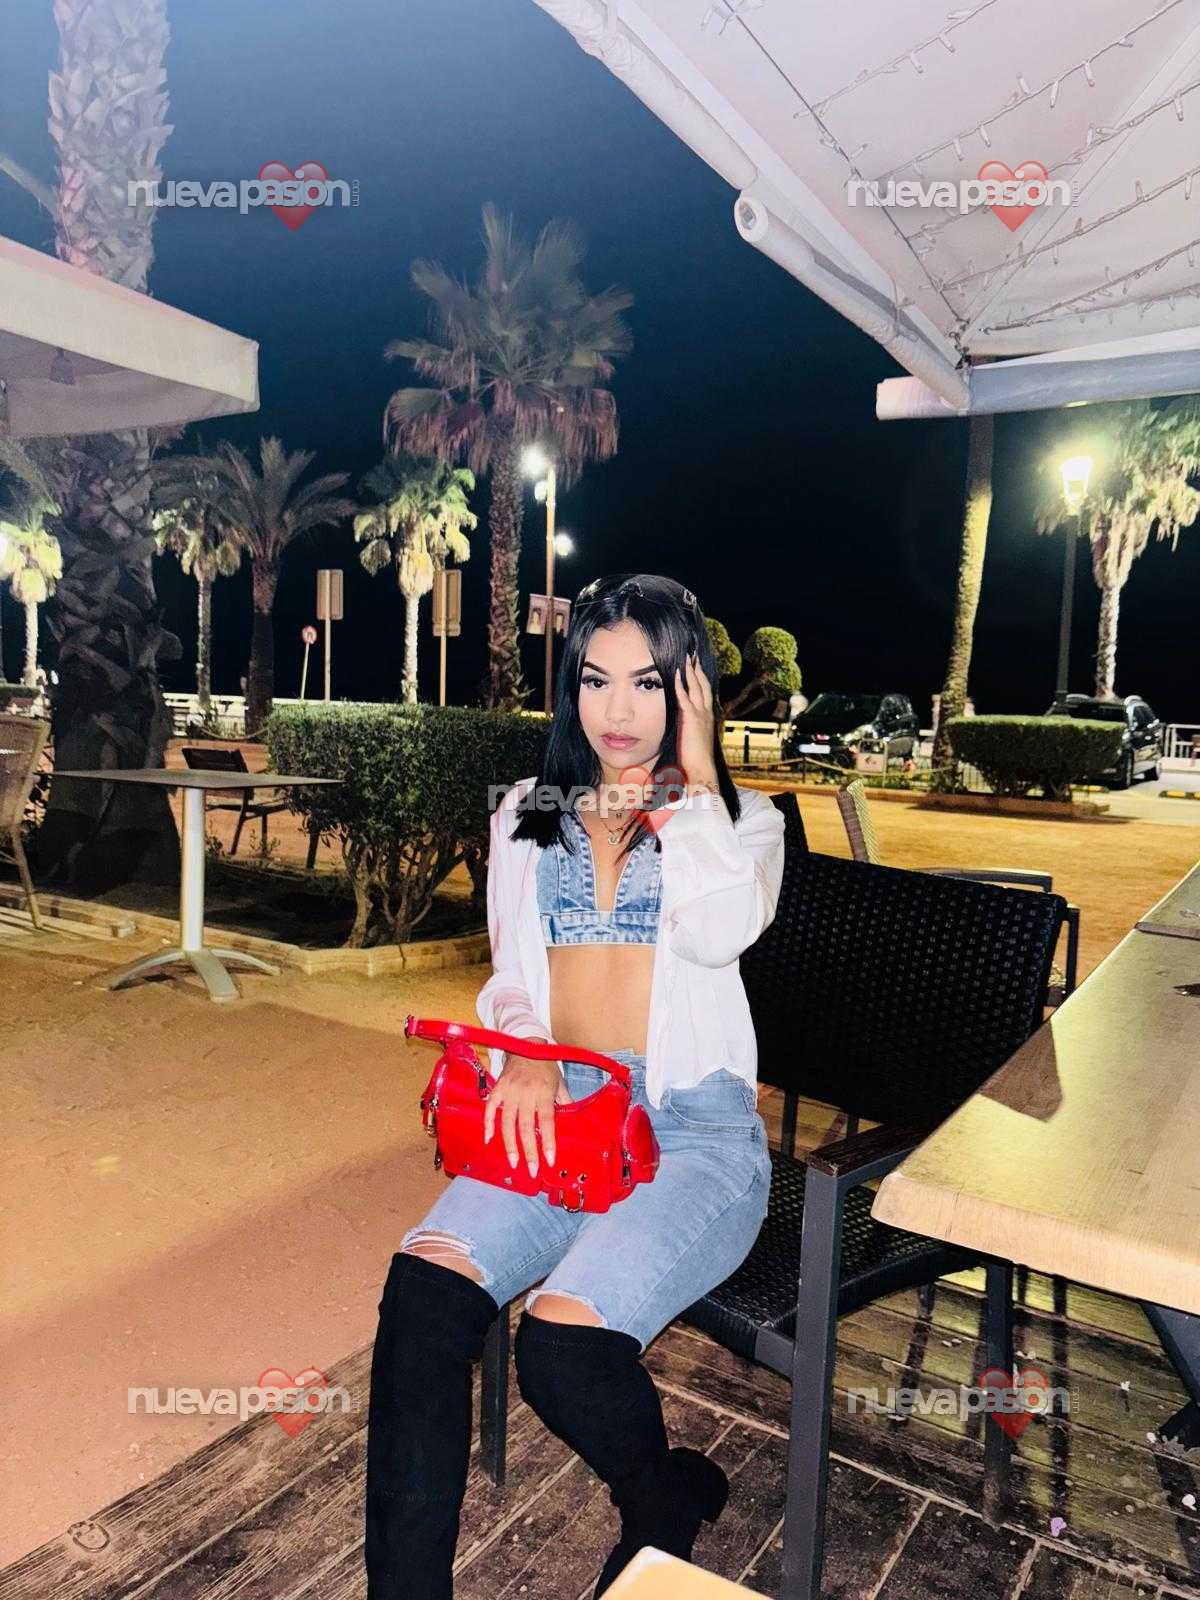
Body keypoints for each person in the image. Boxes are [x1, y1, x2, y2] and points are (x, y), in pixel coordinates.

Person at [365, 572, 786, 1599]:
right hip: (565, 1110)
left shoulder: (745, 824)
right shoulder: (528, 810)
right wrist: (529, 1054)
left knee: (560, 1352)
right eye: (596, 680)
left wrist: (691, 785)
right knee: (422, 1297)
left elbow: (721, 931)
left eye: (649, 682)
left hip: (694, 1136)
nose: (618, 710)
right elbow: (512, 976)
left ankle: (659, 1497)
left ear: (690, 690)